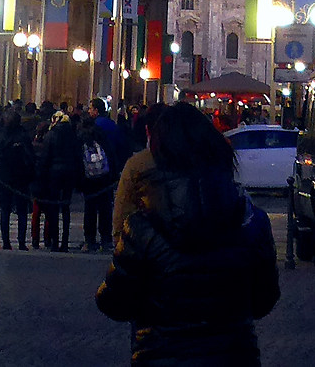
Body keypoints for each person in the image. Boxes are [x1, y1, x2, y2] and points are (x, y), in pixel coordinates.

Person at [95, 104, 279, 367]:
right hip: (233, 356)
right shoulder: (252, 222)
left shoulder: (142, 229)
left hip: (160, 355)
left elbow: (113, 302)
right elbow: (264, 300)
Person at [80, 101, 123, 250]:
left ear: (96, 111)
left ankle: (90, 239)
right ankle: (106, 238)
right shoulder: (111, 126)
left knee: (90, 208)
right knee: (105, 207)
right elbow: (117, 148)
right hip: (106, 173)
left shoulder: (89, 131)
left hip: (90, 175)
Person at [41, 107, 84, 252]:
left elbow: (45, 157)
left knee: (53, 208)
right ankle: (64, 242)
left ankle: (54, 241)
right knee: (66, 207)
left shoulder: (50, 135)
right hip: (69, 173)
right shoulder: (74, 136)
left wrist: (42, 174)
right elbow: (78, 157)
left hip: (54, 173)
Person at [0, 106, 36, 250]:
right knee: (22, 210)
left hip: (5, 176)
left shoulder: (2, 136)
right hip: (21, 176)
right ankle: (22, 242)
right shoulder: (23, 136)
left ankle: (6, 241)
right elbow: (30, 156)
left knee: (5, 209)